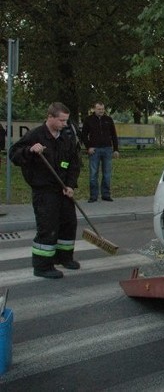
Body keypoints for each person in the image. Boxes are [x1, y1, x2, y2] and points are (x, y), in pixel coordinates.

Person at [9, 102, 81, 279]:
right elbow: (14, 154)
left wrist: (71, 185)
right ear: (50, 117)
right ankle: (42, 266)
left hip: (63, 189)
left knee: (69, 223)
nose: (65, 124)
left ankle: (64, 257)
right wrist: (29, 150)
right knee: (48, 227)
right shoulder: (36, 135)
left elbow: (74, 163)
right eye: (61, 120)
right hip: (44, 190)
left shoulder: (66, 137)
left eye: (66, 120)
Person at [81, 101, 119, 202]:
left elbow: (114, 135)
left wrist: (115, 149)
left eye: (102, 109)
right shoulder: (89, 120)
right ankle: (93, 196)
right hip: (94, 150)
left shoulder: (108, 120)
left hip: (107, 149)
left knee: (107, 174)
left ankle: (106, 195)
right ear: (94, 109)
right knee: (93, 174)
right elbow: (83, 135)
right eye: (99, 109)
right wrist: (88, 147)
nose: (101, 111)